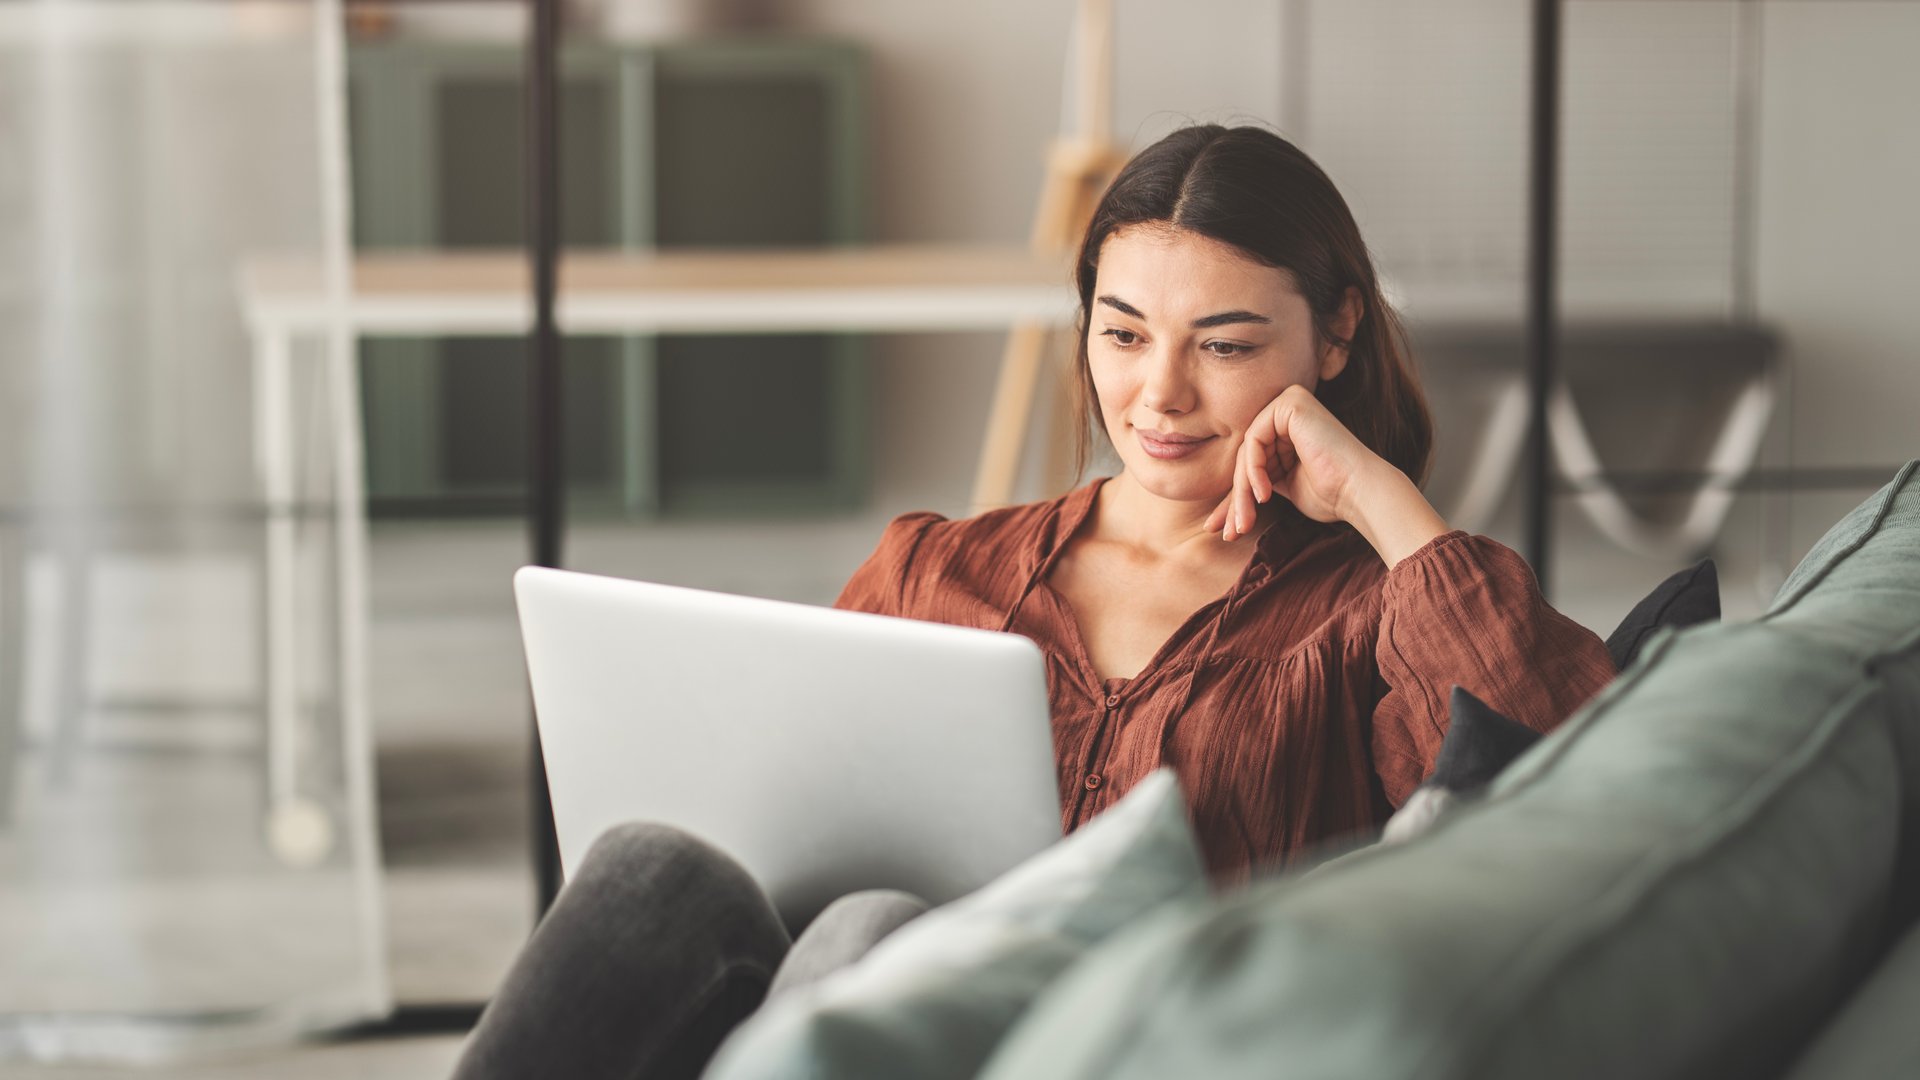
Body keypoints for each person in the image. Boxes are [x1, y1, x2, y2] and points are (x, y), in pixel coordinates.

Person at [449, 124, 1617, 1080]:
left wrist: (1377, 494)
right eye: (1122, 334)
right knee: (658, 867)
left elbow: (1573, 793)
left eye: (1224, 345)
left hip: (1116, 1050)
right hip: (847, 1025)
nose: (1157, 394)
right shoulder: (937, 570)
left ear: (1337, 331)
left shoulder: (1369, 616)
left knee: (879, 934)